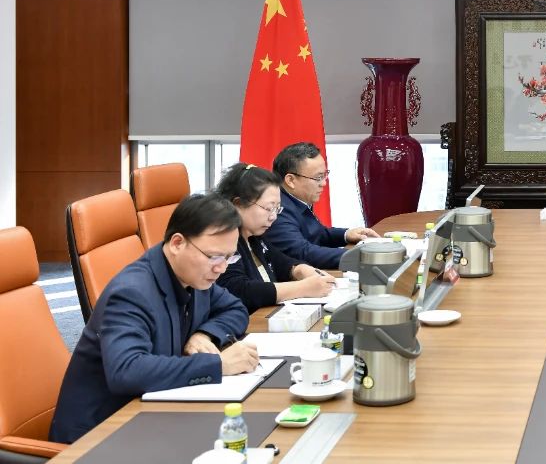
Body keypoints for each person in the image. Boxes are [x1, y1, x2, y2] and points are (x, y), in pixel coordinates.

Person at [49, 194, 258, 444]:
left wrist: (205, 334)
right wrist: (217, 365)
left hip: (154, 411)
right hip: (99, 434)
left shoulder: (194, 276)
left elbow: (235, 309)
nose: (221, 268)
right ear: (177, 243)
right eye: (214, 256)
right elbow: (127, 370)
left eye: (229, 257)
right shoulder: (132, 292)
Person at [214, 163, 337, 312]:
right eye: (268, 208)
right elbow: (240, 290)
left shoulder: (254, 236)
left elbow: (281, 262)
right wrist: (303, 288)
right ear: (238, 204)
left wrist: (300, 270)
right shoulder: (223, 241)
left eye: (277, 209)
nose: (273, 217)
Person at [262, 142, 379, 269]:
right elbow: (302, 252)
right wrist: (362, 255)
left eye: (325, 175)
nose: (323, 183)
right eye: (318, 178)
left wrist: (346, 234)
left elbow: (317, 234)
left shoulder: (295, 199)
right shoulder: (277, 210)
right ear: (291, 180)